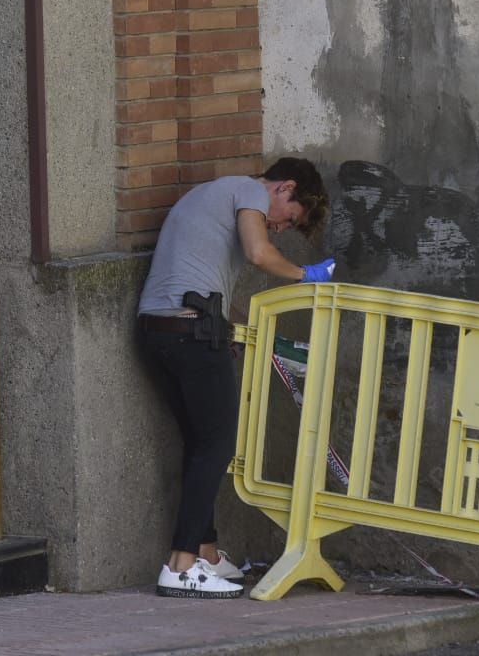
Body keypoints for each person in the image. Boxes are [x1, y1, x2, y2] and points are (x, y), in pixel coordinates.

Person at [137, 157, 334, 598]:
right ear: (284, 189)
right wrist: (307, 277)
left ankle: (206, 554)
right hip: (191, 334)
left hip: (159, 329)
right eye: (290, 218)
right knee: (217, 445)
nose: (280, 228)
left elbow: (209, 290)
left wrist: (242, 325)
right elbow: (258, 253)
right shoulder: (248, 192)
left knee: (201, 444)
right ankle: (181, 564)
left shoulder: (212, 194)